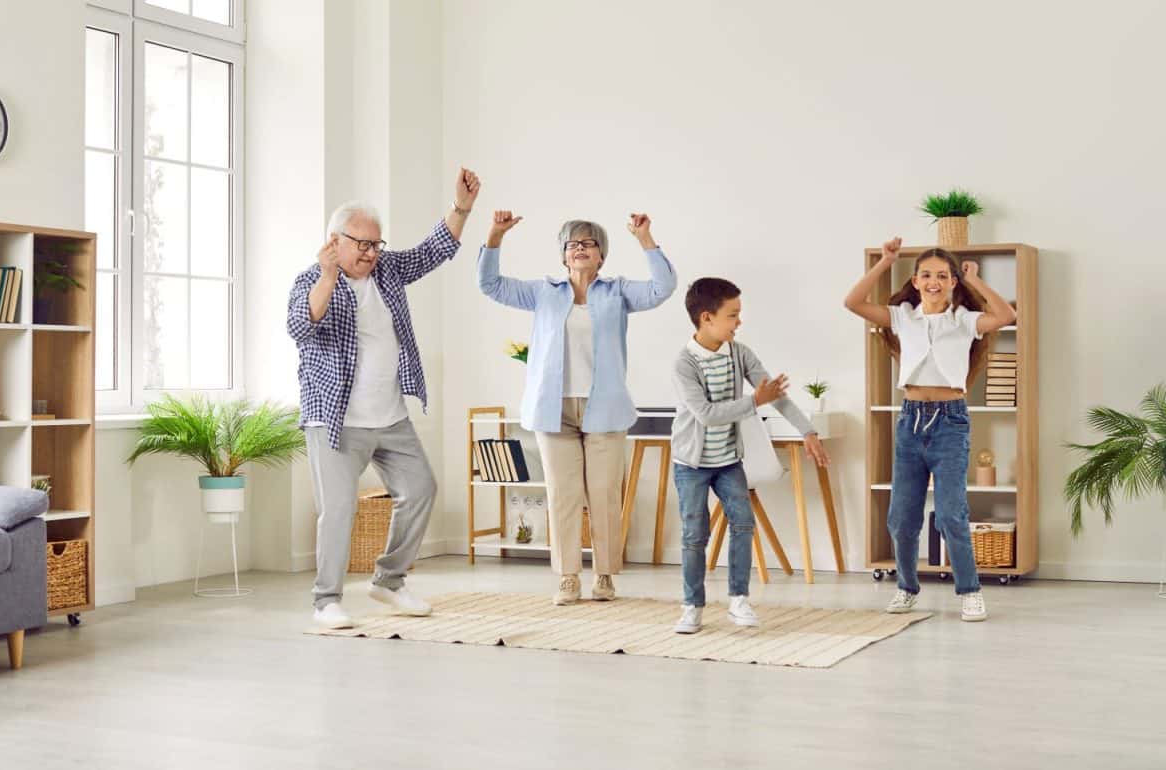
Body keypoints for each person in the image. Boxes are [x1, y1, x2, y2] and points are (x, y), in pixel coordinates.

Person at [288, 168, 481, 629]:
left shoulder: (388, 271)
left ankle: (388, 581)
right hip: (334, 419)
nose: (372, 254)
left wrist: (462, 208)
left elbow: (435, 251)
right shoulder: (312, 280)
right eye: (363, 245)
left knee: (420, 489)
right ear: (335, 241)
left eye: (377, 245)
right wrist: (329, 275)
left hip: (390, 416)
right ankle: (326, 601)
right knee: (339, 509)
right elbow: (301, 326)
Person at [478, 211, 677, 605]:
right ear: (563, 255)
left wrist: (645, 238)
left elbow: (663, 287)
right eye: (572, 244)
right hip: (553, 410)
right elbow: (490, 285)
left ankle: (604, 574)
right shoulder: (543, 292)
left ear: (601, 255)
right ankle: (568, 576)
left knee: (603, 494)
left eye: (588, 243)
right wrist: (495, 236)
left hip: (605, 409)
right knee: (563, 494)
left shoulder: (617, 292)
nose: (579, 249)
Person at [844, 237, 1016, 622]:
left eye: (943, 275)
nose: (934, 281)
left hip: (951, 422)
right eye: (926, 275)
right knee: (901, 517)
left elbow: (1004, 316)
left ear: (954, 281)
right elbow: (853, 303)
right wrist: (884, 262)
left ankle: (970, 591)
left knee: (952, 513)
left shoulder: (964, 320)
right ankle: (906, 587)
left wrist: (977, 281)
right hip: (910, 420)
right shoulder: (904, 316)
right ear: (916, 280)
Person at [670, 278, 829, 634]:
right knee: (694, 535)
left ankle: (738, 599)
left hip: (728, 460)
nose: (738, 322)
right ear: (707, 317)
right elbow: (707, 414)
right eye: (733, 315)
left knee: (744, 523)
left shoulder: (739, 353)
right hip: (691, 464)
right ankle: (691, 606)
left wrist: (808, 430)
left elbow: (777, 395)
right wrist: (755, 401)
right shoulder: (684, 363)